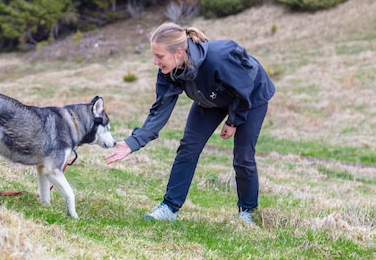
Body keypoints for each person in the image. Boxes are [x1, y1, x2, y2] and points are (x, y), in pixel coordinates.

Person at [104, 22, 275, 223]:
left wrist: (234, 120)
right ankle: (169, 209)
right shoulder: (170, 72)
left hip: (250, 97)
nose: (155, 62)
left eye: (159, 56)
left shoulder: (219, 57)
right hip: (211, 99)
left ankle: (248, 212)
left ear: (178, 53)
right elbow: (159, 112)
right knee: (188, 148)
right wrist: (133, 142)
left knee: (243, 156)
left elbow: (245, 84)